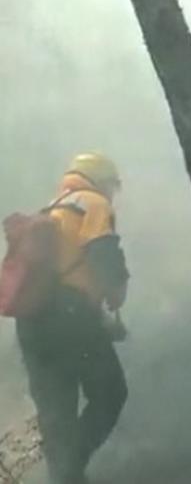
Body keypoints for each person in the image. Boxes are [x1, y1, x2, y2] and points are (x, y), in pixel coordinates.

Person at [16, 152, 130, 484]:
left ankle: (64, 476)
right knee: (111, 392)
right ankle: (68, 470)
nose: (114, 193)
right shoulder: (93, 203)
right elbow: (103, 255)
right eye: (113, 185)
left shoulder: (52, 207)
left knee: (57, 416)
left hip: (31, 323)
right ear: (102, 180)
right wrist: (115, 295)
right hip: (70, 314)